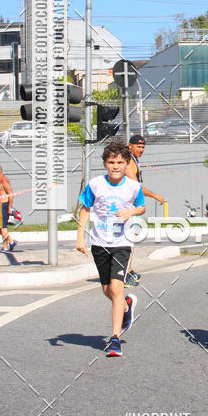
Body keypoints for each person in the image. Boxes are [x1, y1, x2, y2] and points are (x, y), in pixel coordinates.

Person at [76, 139, 145, 357]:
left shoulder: (133, 187)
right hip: (99, 242)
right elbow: (85, 209)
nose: (116, 166)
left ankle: (115, 338)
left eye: (120, 162)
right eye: (111, 162)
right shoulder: (95, 184)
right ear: (105, 163)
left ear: (127, 164)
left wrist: (130, 212)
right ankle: (125, 305)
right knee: (107, 290)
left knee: (116, 287)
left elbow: (141, 207)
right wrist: (80, 238)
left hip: (122, 243)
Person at [125, 133, 165, 285]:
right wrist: (155, 195)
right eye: (138, 147)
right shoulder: (129, 162)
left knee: (131, 239)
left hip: (132, 206)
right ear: (130, 146)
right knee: (128, 240)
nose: (141, 150)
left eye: (143, 147)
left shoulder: (134, 161)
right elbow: (136, 187)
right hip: (128, 207)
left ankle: (128, 270)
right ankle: (125, 273)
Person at [0, 164, 17, 252]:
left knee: (2, 227)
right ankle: (7, 244)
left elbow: (11, 194)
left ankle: (10, 242)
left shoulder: (3, 180)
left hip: (4, 205)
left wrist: (9, 208)